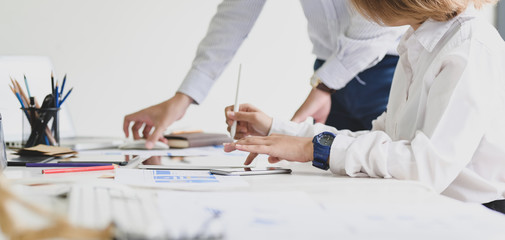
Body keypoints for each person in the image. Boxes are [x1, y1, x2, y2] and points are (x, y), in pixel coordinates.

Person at [223, 0, 505, 213]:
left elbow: (425, 168)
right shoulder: (418, 42)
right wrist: (279, 130)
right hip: (434, 207)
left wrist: (314, 148)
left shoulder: (469, 47)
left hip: (476, 216)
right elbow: (383, 141)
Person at [123, 0, 405, 149]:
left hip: (389, 70)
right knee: (336, 175)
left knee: (390, 170)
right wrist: (184, 97)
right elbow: (234, 18)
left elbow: (378, 23)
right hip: (328, 73)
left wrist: (325, 85)